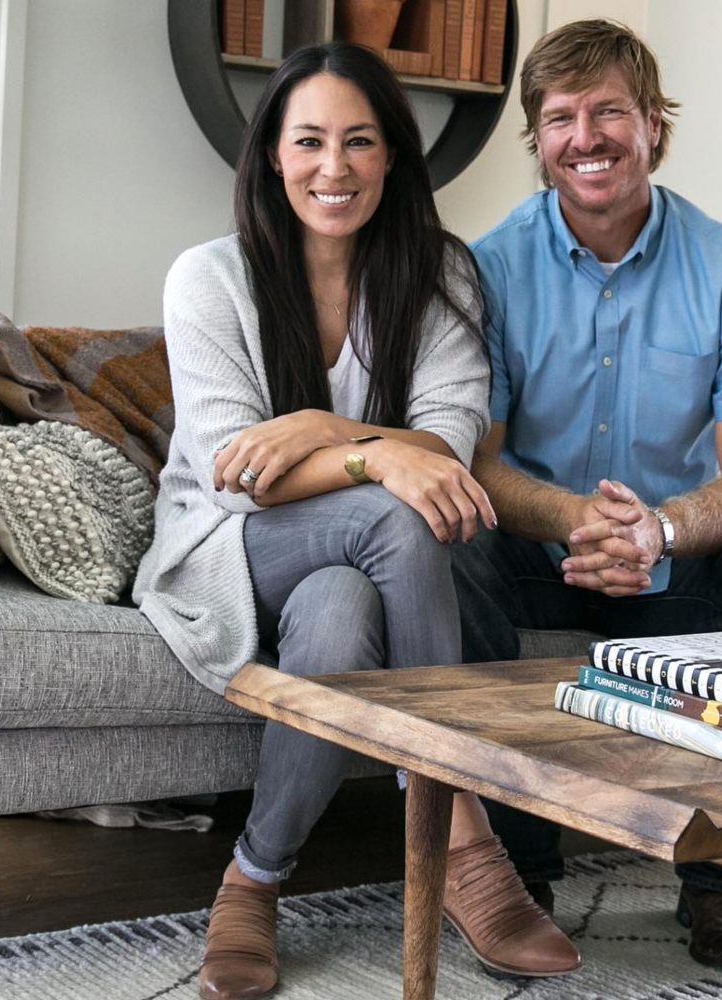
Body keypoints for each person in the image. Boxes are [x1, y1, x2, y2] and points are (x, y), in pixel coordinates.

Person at [133, 42, 582, 1000]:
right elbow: (234, 475)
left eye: (359, 141)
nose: (332, 166)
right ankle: (462, 835)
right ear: (272, 156)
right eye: (308, 141)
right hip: (229, 546)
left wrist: (324, 428)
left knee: (341, 612)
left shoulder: (441, 272)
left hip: (347, 563)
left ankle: (252, 880)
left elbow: (448, 446)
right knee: (394, 517)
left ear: (391, 157)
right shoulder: (208, 277)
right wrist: (374, 454)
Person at [452, 18, 722, 969]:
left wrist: (659, 530)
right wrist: (578, 521)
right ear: (537, 139)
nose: (586, 137)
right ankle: (516, 872)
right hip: (539, 559)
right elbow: (476, 462)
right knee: (448, 554)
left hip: (678, 569)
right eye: (561, 118)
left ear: (654, 124)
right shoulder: (488, 269)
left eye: (609, 111)